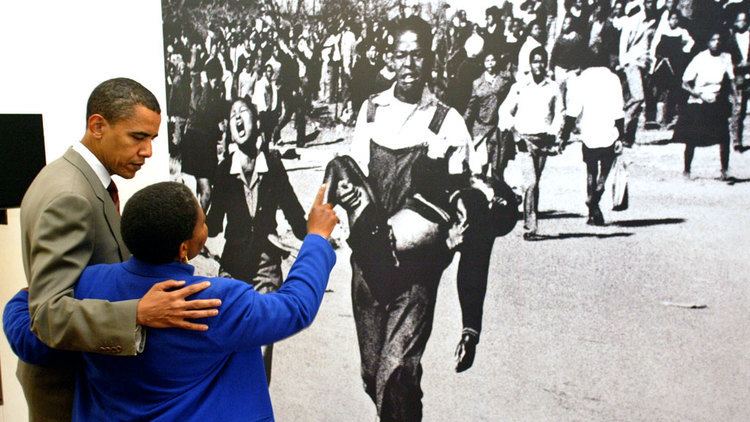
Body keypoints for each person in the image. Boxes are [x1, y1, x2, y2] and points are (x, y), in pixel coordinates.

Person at [4, 181, 338, 421]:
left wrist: (26, 299)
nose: (205, 225)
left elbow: (34, 342)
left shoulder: (89, 284)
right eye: (202, 223)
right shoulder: (213, 301)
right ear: (184, 249)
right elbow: (296, 307)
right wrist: (317, 238)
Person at [15, 78, 221, 422]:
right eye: (138, 137)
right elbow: (48, 315)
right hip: (68, 392)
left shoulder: (73, 179)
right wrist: (138, 313)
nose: (148, 152)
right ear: (98, 126)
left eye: (152, 139)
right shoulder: (71, 196)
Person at [324, 17, 496, 421]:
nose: (409, 64)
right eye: (401, 54)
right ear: (389, 58)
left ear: (430, 59)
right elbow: (354, 183)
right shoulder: (370, 112)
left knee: (396, 371)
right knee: (373, 375)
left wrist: (471, 323)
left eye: (418, 54)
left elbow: (464, 203)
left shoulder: (448, 121)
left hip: (418, 270)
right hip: (368, 266)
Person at [206, 97, 309, 382]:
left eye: (243, 113)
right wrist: (193, 225)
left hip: (266, 265)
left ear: (257, 120)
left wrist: (317, 237)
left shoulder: (273, 166)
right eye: (232, 115)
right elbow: (213, 224)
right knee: (231, 343)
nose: (237, 119)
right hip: (233, 267)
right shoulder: (225, 170)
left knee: (263, 345)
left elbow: (293, 212)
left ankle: (257, 402)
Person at [498, 46, 563, 239]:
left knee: (535, 183)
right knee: (531, 183)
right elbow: (504, 111)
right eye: (535, 61)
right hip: (524, 140)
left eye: (541, 61)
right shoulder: (520, 87)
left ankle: (532, 221)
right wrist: (515, 134)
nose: (538, 65)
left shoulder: (552, 87)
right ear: (529, 63)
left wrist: (554, 132)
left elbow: (560, 113)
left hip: (544, 140)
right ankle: (530, 228)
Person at [562, 52, 626, 225]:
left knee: (590, 171)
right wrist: (621, 135)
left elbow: (573, 110)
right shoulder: (613, 79)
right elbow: (619, 109)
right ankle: (597, 194)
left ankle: (592, 207)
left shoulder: (580, 80)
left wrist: (565, 134)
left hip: (589, 132)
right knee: (604, 171)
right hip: (609, 132)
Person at [672, 30, 737, 180]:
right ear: (708, 42)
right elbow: (685, 83)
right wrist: (698, 94)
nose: (717, 43)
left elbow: (732, 79)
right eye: (713, 40)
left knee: (724, 137)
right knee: (692, 138)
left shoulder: (726, 58)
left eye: (719, 39)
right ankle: (687, 170)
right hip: (699, 101)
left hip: (716, 101)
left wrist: (735, 97)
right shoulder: (700, 58)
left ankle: (725, 171)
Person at [463, 51, 516, 201]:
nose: (490, 63)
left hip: (499, 128)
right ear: (483, 63)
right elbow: (471, 107)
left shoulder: (505, 79)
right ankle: (481, 200)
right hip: (480, 129)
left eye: (493, 60)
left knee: (498, 166)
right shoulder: (477, 83)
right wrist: (462, 122)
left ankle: (500, 200)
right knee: (479, 167)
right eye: (487, 61)